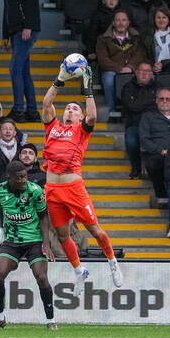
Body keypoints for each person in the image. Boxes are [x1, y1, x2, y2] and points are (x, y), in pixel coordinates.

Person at [42, 64, 123, 290]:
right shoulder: (53, 127)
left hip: (73, 188)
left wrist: (87, 91)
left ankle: (112, 262)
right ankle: (79, 270)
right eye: (67, 108)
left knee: (95, 230)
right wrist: (59, 79)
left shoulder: (82, 130)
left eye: (74, 109)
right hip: (52, 189)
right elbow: (47, 104)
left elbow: (93, 115)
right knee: (61, 234)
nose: (69, 110)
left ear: (80, 117)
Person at [0, 160, 58, 331]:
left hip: (33, 240)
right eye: (19, 177)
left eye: (25, 176)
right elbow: (2, 209)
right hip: (12, 241)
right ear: (10, 178)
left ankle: (50, 320)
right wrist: (2, 230)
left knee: (42, 277)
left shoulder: (35, 191)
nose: (24, 180)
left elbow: (44, 217)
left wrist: (46, 243)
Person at [1, 0, 41, 122]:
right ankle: (32, 111)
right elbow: (7, 10)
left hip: (25, 30)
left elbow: (32, 4)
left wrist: (28, 27)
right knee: (24, 71)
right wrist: (5, 35)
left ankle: (19, 110)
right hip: (14, 30)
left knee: (15, 68)